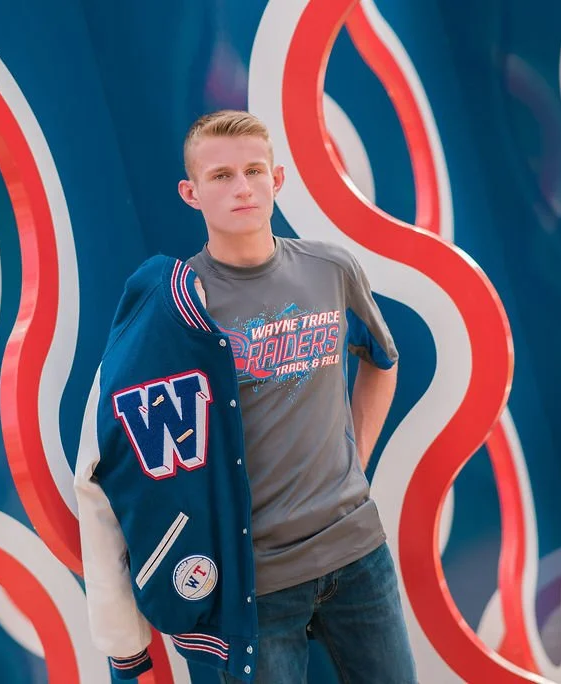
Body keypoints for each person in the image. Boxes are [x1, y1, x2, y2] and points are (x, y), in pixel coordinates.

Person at [177, 110, 418, 684]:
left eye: (254, 171)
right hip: (255, 582)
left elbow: (381, 362)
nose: (242, 187)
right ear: (191, 193)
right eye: (221, 176)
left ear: (277, 179)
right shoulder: (180, 302)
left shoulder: (330, 269)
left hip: (357, 554)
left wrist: (354, 462)